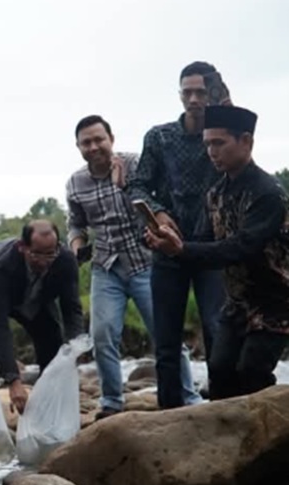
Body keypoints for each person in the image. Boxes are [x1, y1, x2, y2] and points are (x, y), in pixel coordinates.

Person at [146, 106, 289, 400]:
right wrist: (166, 242)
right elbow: (204, 239)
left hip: (276, 302)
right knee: (220, 370)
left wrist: (182, 249)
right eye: (208, 143)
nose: (211, 151)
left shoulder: (268, 193)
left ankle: (269, 442)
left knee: (252, 371)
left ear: (246, 141)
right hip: (237, 303)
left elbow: (240, 248)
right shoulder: (216, 193)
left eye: (219, 143)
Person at [66, 115, 202, 419]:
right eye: (86, 142)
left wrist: (126, 186)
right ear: (78, 147)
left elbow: (158, 201)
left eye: (98, 139)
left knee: (166, 333)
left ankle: (189, 396)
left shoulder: (135, 164)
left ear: (111, 139)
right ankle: (112, 403)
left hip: (146, 262)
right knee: (102, 335)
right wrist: (76, 245)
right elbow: (75, 223)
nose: (93, 147)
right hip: (106, 266)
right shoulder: (76, 183)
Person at [127, 62, 227, 409]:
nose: (195, 98)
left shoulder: (221, 136)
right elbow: (137, 185)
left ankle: (223, 406)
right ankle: (169, 415)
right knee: (166, 341)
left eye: (201, 91)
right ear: (180, 94)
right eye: (188, 92)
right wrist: (158, 213)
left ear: (210, 93)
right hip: (166, 249)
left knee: (217, 330)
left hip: (210, 249)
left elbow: (238, 175)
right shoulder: (159, 137)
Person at [0, 220, 84, 412]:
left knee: (52, 342)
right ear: (22, 247)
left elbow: (72, 309)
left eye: (50, 254)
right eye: (36, 254)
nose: (43, 262)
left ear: (58, 247)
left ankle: (50, 404)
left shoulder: (65, 261)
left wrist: (75, 350)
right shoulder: (1, 265)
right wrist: (13, 381)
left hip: (37, 297)